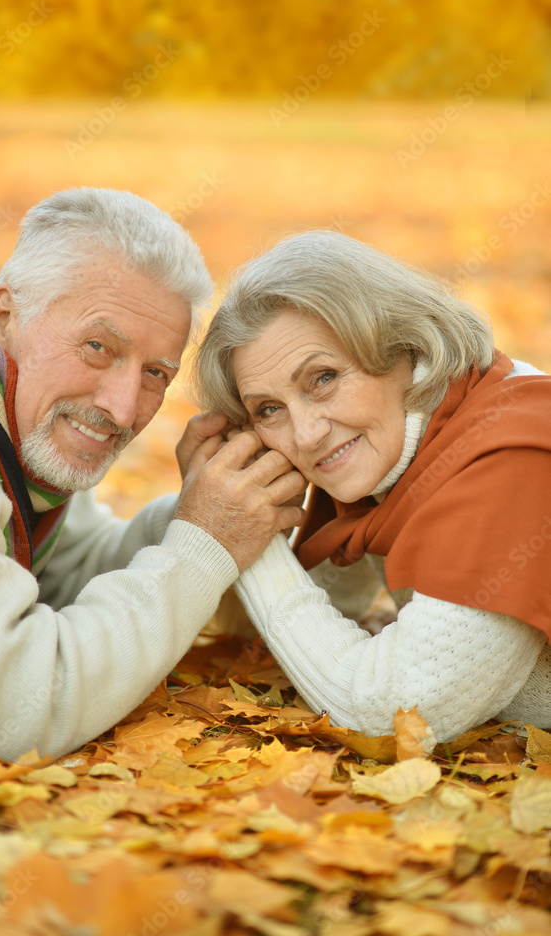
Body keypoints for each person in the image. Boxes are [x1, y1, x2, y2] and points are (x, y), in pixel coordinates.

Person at [0, 188, 305, 762]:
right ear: (9, 314)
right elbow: (3, 713)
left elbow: (66, 574)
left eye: (156, 372)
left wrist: (203, 513)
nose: (123, 408)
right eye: (98, 347)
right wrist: (202, 545)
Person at [194, 230, 551, 744]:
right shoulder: (393, 454)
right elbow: (304, 613)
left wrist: (251, 538)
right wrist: (231, 503)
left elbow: (395, 717)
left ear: (403, 346)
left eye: (322, 378)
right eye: (268, 410)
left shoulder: (507, 453)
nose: (307, 433)